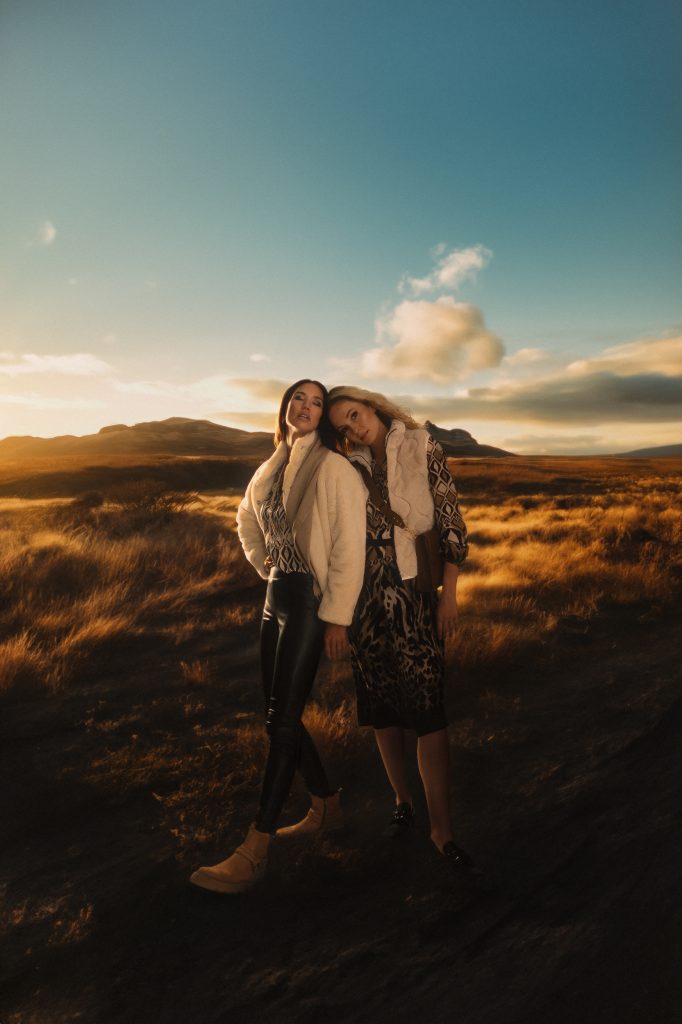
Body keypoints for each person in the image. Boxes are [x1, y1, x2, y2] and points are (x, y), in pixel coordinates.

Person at [190, 379, 366, 894]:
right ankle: (327, 803)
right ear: (285, 407)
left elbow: (348, 550)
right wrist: (261, 562)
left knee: (283, 720)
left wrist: (337, 617)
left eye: (316, 402)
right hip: (276, 599)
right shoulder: (270, 465)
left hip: (311, 604)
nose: (306, 407)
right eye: (298, 399)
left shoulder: (336, 469)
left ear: (325, 416)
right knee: (276, 717)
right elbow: (245, 518)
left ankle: (256, 849)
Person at [327, 385, 472, 867]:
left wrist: (448, 595)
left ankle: (441, 828)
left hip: (413, 593)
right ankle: (402, 803)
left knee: (429, 710)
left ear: (372, 405)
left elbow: (451, 522)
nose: (353, 427)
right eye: (344, 426)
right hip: (366, 599)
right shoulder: (348, 467)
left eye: (355, 414)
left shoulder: (421, 443)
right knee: (383, 709)